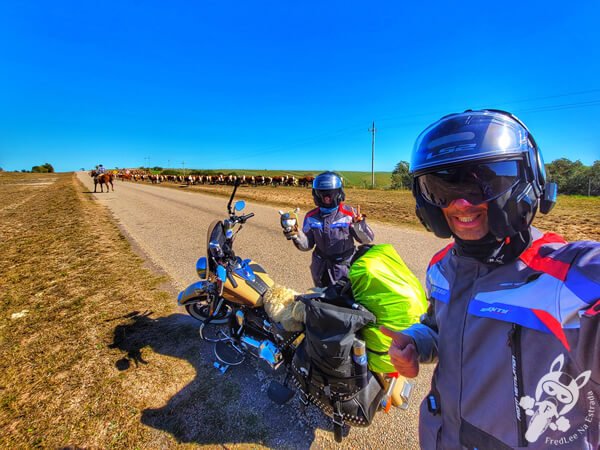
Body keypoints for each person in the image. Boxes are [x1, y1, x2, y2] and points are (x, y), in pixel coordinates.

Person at [381, 109, 599, 449]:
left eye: (483, 183)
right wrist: (416, 343)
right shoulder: (442, 268)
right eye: (442, 189)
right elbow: (439, 328)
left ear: (529, 177)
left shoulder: (572, 279)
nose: (462, 203)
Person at [281, 171, 375, 287]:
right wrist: (296, 234)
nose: (326, 199)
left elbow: (367, 240)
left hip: (345, 268)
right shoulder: (311, 217)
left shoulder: (349, 214)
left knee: (345, 301)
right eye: (322, 194)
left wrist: (359, 225)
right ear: (315, 194)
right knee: (322, 300)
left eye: (330, 194)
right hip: (320, 268)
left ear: (339, 193)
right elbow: (306, 246)